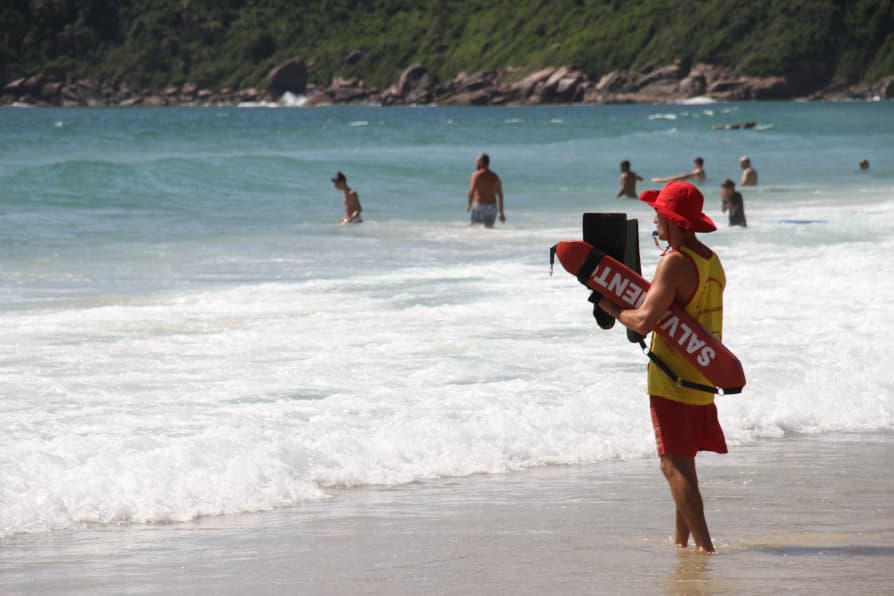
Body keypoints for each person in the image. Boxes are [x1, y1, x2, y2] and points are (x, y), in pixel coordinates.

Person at [595, 181, 728, 553]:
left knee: (672, 467)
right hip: (703, 372)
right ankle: (682, 544)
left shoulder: (674, 263)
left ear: (676, 223)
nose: (654, 221)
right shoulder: (710, 261)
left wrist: (610, 308)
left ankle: (705, 550)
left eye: (659, 216)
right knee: (684, 466)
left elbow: (643, 322)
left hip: (673, 378)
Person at [467, 153, 505, 227]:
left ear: (481, 162)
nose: (476, 164)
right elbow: (500, 194)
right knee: (489, 231)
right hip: (492, 208)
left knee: (475, 230)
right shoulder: (494, 176)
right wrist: (501, 212)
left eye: (477, 162)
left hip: (480, 207)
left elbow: (471, 191)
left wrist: (469, 205)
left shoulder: (476, 175)